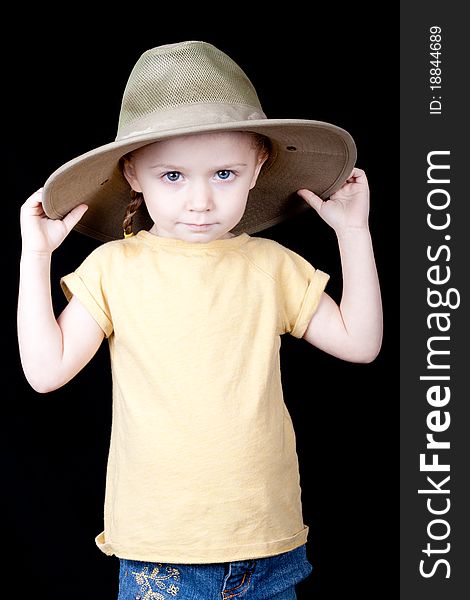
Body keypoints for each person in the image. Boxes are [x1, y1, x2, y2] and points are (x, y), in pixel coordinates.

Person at [17, 41, 382, 600]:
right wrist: (35, 256)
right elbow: (46, 371)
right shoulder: (117, 268)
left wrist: (354, 235)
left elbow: (360, 343)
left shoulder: (269, 265)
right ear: (132, 172)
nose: (200, 201)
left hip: (268, 544)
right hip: (161, 551)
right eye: (172, 176)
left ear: (259, 167)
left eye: (224, 173)